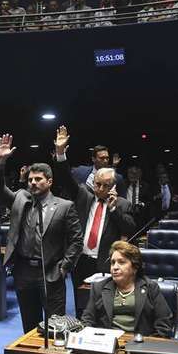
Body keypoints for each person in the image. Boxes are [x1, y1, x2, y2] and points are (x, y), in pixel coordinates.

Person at [0, 132, 82, 354]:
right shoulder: (19, 198)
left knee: (56, 327)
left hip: (50, 271)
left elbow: (76, 242)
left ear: (49, 182)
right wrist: (0, 162)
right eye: (30, 179)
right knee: (30, 326)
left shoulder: (64, 206)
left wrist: (64, 268)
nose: (32, 183)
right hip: (23, 272)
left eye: (38, 179)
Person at [52, 126, 135, 318]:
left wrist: (113, 209)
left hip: (106, 263)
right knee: (82, 307)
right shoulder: (84, 196)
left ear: (113, 186)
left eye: (106, 185)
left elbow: (129, 228)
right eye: (97, 184)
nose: (100, 189)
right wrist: (60, 152)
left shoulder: (122, 204)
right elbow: (66, 178)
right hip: (81, 260)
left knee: (106, 308)